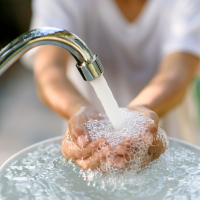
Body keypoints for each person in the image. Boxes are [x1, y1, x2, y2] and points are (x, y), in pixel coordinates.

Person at [23, 0, 200, 170]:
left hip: (172, 152)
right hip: (90, 151)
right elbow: (49, 71)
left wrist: (140, 113)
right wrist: (77, 110)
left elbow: (177, 72)